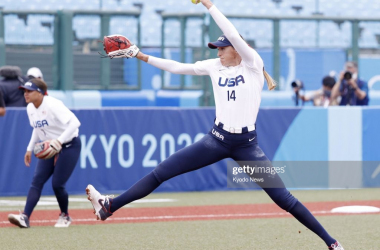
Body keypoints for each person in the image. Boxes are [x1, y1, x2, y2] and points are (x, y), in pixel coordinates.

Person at [86, 1, 344, 249]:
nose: (218, 52)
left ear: (237, 49)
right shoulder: (214, 67)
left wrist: (209, 4)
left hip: (246, 146)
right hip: (216, 140)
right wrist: (140, 55)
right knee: (161, 172)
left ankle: (331, 242)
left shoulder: (253, 65)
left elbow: (231, 32)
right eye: (217, 48)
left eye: (222, 48)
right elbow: (176, 67)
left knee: (283, 198)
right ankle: (110, 206)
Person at [7, 78, 81, 228]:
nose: (25, 94)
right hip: (49, 147)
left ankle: (65, 216)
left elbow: (75, 123)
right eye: (24, 91)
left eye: (29, 91)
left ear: (40, 93)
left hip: (68, 144)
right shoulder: (30, 108)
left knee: (57, 184)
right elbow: (37, 128)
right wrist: (29, 148)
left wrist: (59, 141)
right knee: (37, 181)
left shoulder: (53, 104)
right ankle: (25, 217)